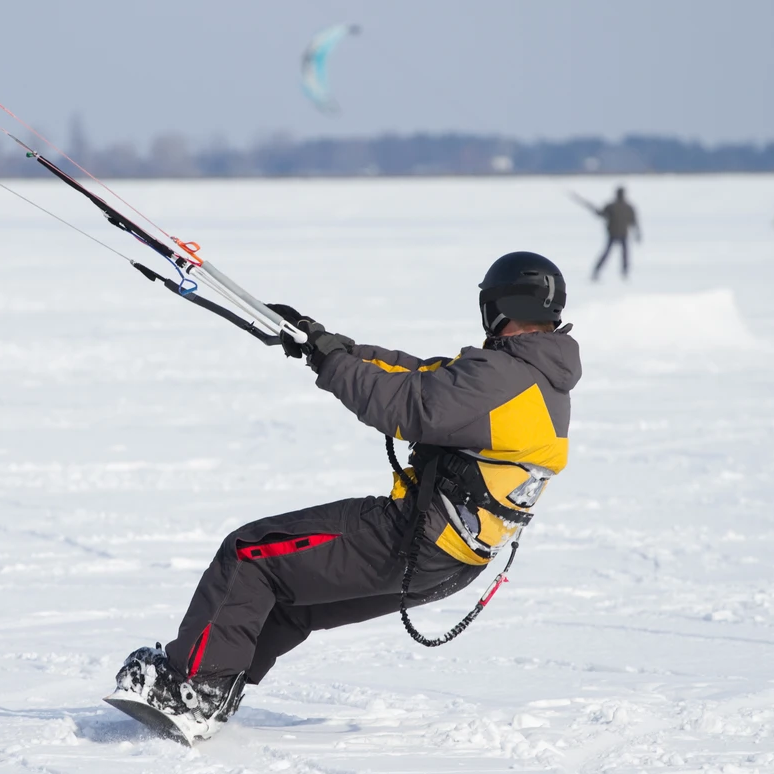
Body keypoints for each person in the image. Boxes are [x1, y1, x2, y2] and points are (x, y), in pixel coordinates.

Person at [111, 252, 582, 742]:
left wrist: (331, 363)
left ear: (499, 306)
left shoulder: (502, 377)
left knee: (251, 554)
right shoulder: (536, 377)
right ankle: (217, 689)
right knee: (289, 596)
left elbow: (406, 404)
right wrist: (327, 343)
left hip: (416, 538)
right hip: (454, 561)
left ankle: (196, 688)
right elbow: (420, 375)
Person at [590, 187, 641, 280]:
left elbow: (602, 214)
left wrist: (638, 233)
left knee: (619, 254)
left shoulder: (615, 206)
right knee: (620, 254)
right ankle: (623, 273)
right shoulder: (625, 207)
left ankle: (623, 272)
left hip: (617, 234)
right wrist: (637, 233)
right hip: (616, 234)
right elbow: (634, 222)